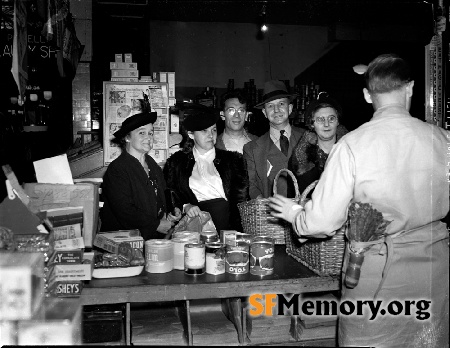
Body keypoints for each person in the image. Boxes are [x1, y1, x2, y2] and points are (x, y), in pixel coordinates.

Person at [269, 54, 449, 347]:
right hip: (435, 272)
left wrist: (295, 213)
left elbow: (322, 222)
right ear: (411, 88)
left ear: (367, 95)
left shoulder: (352, 145)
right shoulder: (443, 140)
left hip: (377, 274)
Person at [164, 106, 248, 232]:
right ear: (191, 134)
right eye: (204, 131)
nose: (210, 135)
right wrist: (185, 206)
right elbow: (170, 192)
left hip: (227, 226)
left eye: (213, 130)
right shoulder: (176, 163)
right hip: (194, 227)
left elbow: (241, 199)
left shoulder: (233, 160)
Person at [100, 111, 180, 240]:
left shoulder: (152, 164)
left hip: (151, 239)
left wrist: (171, 211)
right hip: (125, 241)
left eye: (150, 133)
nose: (148, 137)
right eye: (142, 133)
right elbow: (125, 211)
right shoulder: (118, 169)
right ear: (127, 138)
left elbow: (162, 194)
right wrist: (156, 224)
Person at [243, 80, 305, 199]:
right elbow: (251, 185)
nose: (276, 110)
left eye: (281, 104)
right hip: (270, 214)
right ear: (264, 112)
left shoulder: (308, 138)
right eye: (270, 106)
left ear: (290, 108)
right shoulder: (251, 149)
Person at [288, 95, 348, 195]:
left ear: (338, 122)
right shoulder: (299, 160)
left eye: (331, 118)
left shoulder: (352, 152)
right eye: (320, 119)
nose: (326, 124)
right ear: (312, 124)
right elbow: (293, 198)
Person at [215, 89, 257, 153]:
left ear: (246, 115)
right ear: (222, 115)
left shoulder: (260, 143)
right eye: (231, 110)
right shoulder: (213, 145)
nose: (237, 115)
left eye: (241, 110)